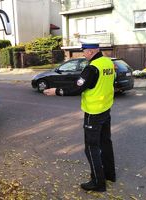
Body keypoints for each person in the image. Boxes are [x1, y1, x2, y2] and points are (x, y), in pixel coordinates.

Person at [43, 40, 116, 192]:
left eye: (84, 51)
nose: (83, 54)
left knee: (91, 148)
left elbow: (77, 88)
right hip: (106, 109)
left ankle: (98, 182)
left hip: (93, 112)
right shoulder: (108, 63)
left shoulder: (92, 68)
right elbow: (110, 82)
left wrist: (56, 91)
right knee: (105, 143)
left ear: (91, 51)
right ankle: (109, 174)